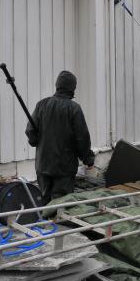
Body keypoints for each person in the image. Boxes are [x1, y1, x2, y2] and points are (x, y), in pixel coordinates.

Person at [26, 71, 95, 204]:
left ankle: (44, 223)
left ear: (57, 85)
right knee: (61, 204)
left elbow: (30, 130)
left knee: (44, 200)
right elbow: (82, 138)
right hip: (65, 167)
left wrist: (34, 141)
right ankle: (57, 223)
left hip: (43, 164)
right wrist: (88, 158)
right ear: (72, 88)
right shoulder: (74, 109)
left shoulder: (41, 105)